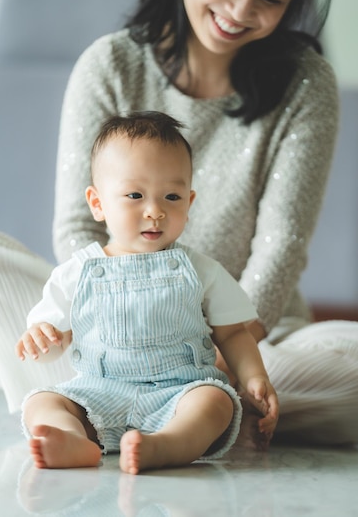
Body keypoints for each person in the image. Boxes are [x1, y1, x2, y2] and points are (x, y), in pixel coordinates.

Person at [0, 0, 358, 446]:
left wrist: (230, 352)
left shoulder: (307, 85)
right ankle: (179, 413)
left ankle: (173, 407)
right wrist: (105, 327)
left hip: (245, 334)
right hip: (105, 335)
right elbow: (76, 226)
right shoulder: (111, 64)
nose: (240, 12)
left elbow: (282, 243)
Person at [15, 111, 279, 473]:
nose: (155, 211)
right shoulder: (76, 272)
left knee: (216, 402)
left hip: (179, 391)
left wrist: (253, 377)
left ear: (190, 201)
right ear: (97, 203)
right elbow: (53, 341)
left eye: (172, 196)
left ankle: (169, 444)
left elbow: (233, 332)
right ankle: (73, 439)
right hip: (99, 392)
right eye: (135, 195)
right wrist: (42, 340)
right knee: (42, 402)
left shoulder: (200, 270)